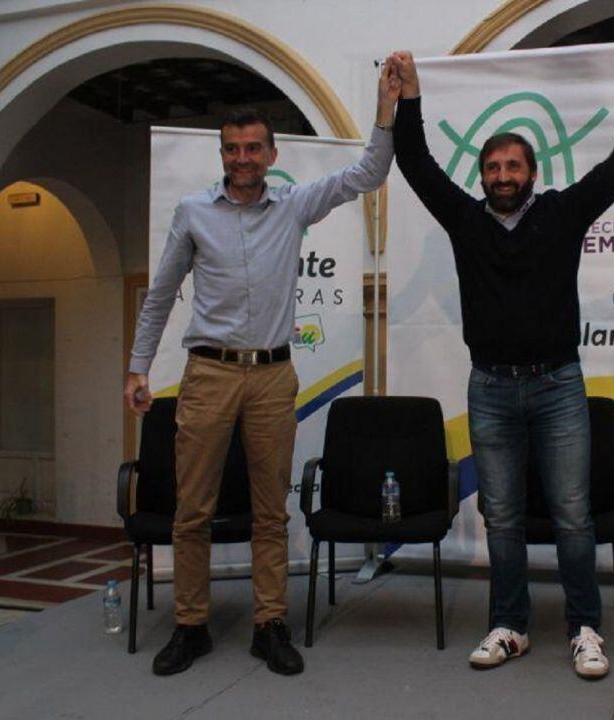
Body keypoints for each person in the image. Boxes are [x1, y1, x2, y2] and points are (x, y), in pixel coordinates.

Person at [385, 47, 614, 679]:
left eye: (513, 165)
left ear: (533, 171)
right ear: (482, 174)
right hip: (489, 389)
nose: (503, 174)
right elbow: (415, 161)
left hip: (559, 385)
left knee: (571, 515)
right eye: (493, 166)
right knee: (501, 516)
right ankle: (509, 625)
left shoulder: (562, 213)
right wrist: (414, 96)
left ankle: (584, 628)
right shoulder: (463, 219)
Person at [124, 65, 399, 677]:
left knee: (271, 509)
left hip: (273, 377)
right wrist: (138, 366)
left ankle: (268, 624)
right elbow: (161, 292)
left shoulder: (294, 205)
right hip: (209, 374)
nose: (242, 158)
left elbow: (369, 173)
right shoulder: (193, 213)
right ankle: (190, 626)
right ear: (222, 153)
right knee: (191, 509)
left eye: (253, 148)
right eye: (232, 149)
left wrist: (386, 108)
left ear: (272, 154)